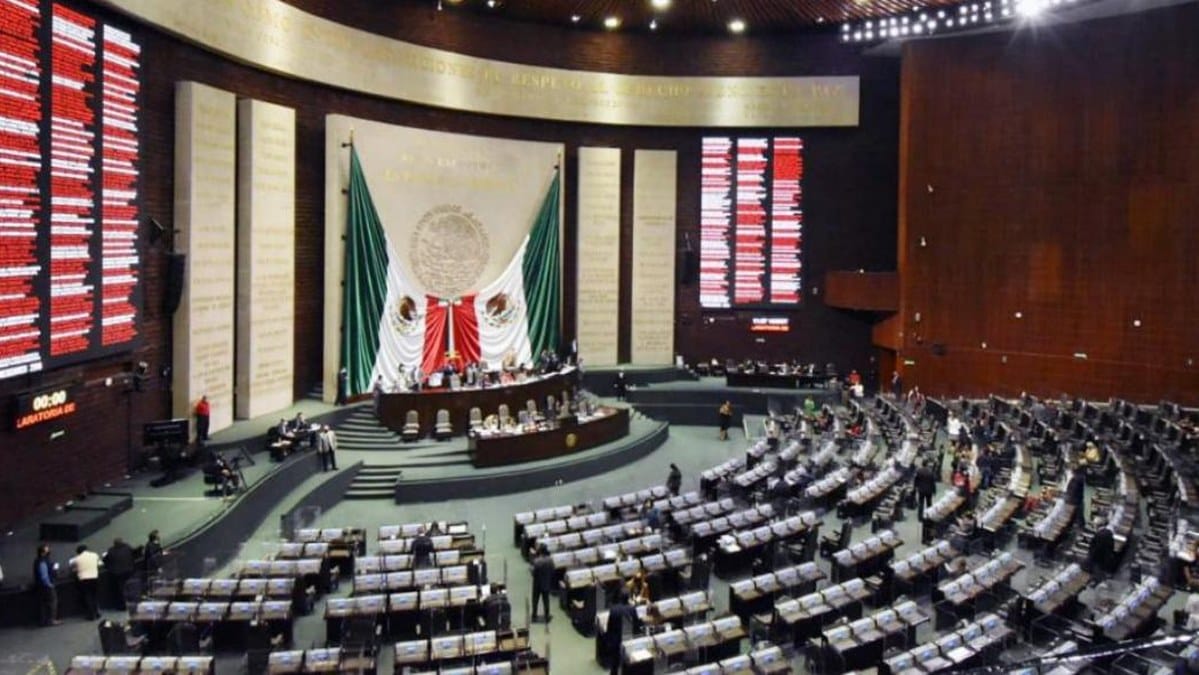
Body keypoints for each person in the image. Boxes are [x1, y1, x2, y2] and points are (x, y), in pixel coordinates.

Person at [603, 590, 642, 675]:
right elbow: (637, 624)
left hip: (616, 639)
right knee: (627, 661)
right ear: (628, 598)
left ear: (620, 598)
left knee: (615, 663)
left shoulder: (613, 609)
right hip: (628, 638)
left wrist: (608, 639)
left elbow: (610, 626)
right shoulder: (632, 609)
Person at [70, 544, 101, 620]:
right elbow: (99, 564)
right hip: (94, 577)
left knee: (88, 596)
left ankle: (91, 615)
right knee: (94, 595)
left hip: (84, 579)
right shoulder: (94, 555)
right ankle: (97, 612)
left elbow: (73, 567)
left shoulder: (76, 559)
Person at [104, 538, 135, 610]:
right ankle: (132, 602)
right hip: (129, 570)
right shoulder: (127, 547)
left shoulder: (111, 550)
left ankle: (123, 605)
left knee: (121, 589)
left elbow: (106, 560)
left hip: (118, 573)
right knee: (130, 587)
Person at [34, 544, 60, 626]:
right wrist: (49, 584)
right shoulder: (42, 562)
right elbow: (44, 576)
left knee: (43, 604)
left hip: (41, 586)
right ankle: (52, 620)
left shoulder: (38, 561)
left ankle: (44, 620)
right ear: (42, 553)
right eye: (46, 550)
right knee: (52, 602)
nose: (48, 552)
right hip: (46, 586)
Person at [530, 544, 554, 623]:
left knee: (535, 600)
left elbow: (533, 572)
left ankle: (534, 615)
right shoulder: (550, 560)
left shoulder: (537, 561)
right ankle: (547, 616)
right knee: (546, 600)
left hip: (537, 584)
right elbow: (552, 570)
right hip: (546, 583)